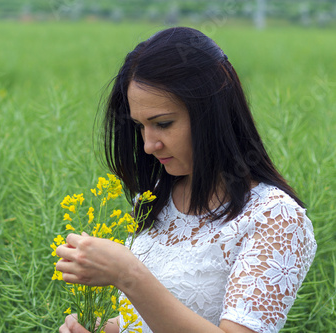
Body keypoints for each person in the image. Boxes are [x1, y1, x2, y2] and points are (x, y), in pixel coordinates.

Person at [55, 27, 317, 333]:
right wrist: (103, 328)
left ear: (213, 113)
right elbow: (144, 321)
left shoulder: (275, 218)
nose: (148, 145)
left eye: (163, 124)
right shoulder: (154, 200)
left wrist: (128, 273)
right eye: (140, 126)